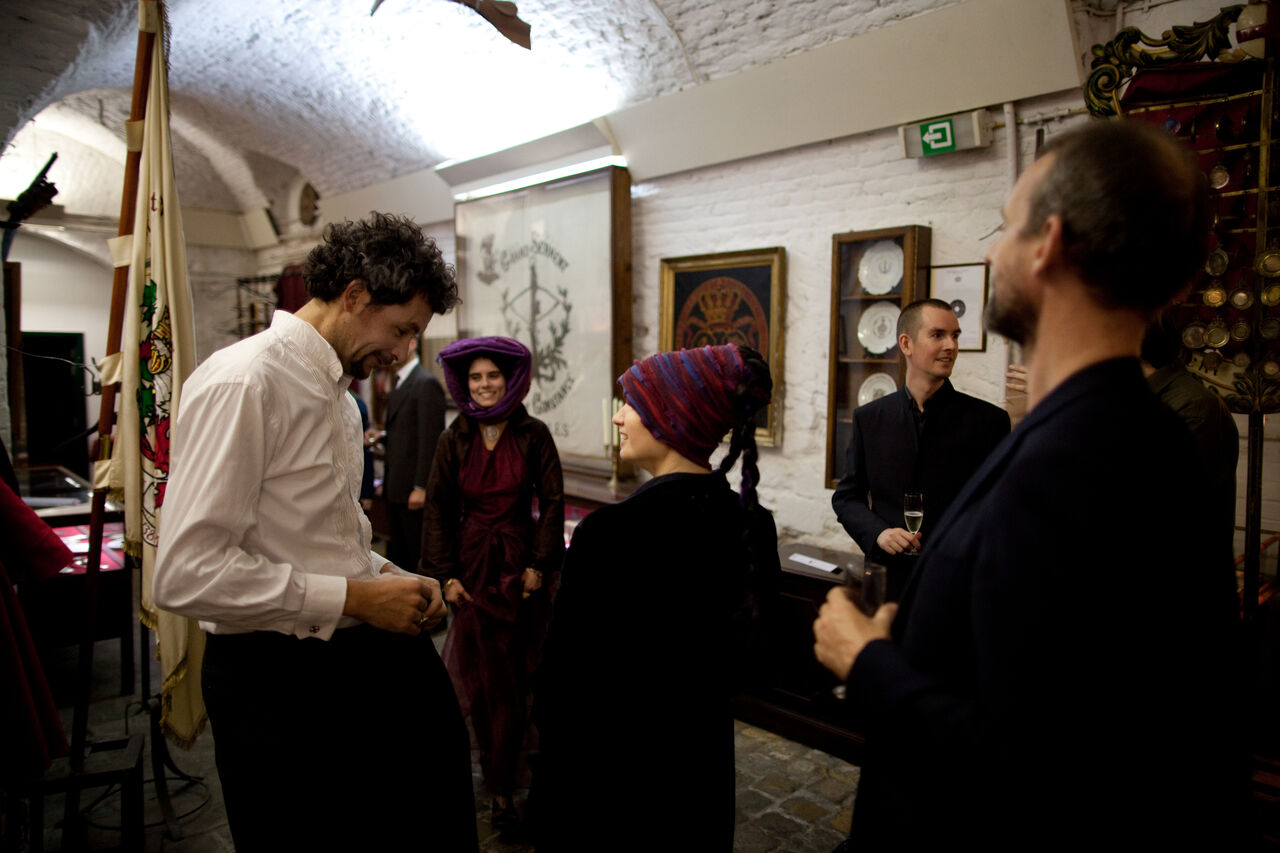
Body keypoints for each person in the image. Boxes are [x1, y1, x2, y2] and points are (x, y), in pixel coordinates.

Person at [814, 120, 1247, 850]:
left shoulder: (1089, 456)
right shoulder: (1111, 429)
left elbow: (1047, 769)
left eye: (1006, 226)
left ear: (1048, 243)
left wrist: (868, 662)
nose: (991, 253)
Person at [153, 213, 478, 852]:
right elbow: (187, 573)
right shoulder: (245, 380)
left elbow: (331, 534)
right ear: (354, 295)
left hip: (348, 666)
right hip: (275, 680)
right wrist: (356, 598)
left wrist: (391, 576)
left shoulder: (341, 397)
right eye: (402, 329)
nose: (403, 352)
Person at [532, 344, 781, 851]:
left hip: (614, 774)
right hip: (698, 768)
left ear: (670, 419)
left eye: (632, 405)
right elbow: (752, 661)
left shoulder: (610, 533)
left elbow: (563, 682)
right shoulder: (751, 524)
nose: (618, 417)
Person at [422, 336, 565, 837]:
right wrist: (446, 575)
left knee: (517, 681)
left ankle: (509, 778)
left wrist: (540, 564)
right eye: (476, 377)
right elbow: (437, 507)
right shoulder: (454, 437)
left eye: (493, 376)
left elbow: (552, 501)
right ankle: (496, 777)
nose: (484, 385)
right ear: (465, 384)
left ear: (510, 380)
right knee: (482, 684)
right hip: (472, 574)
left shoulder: (533, 434)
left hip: (520, 575)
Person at [831, 298, 1009, 597]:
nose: (951, 345)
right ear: (906, 344)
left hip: (957, 583)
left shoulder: (990, 421)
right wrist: (879, 533)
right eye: (938, 335)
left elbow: (999, 510)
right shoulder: (869, 418)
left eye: (955, 335)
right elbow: (847, 497)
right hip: (888, 582)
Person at [384, 333, 446, 575]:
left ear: (412, 344)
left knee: (417, 561)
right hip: (396, 488)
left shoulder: (425, 383)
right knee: (400, 558)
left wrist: (421, 486)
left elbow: (430, 439)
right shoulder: (401, 380)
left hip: (413, 490)